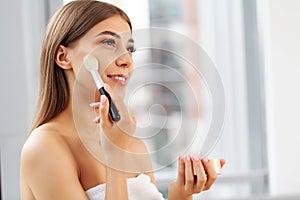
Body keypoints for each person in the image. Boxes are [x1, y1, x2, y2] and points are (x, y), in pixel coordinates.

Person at [20, 0, 226, 199]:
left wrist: (181, 195)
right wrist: (114, 155)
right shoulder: (44, 147)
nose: (126, 60)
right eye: (109, 43)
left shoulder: (133, 145)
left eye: (130, 49)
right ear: (63, 57)